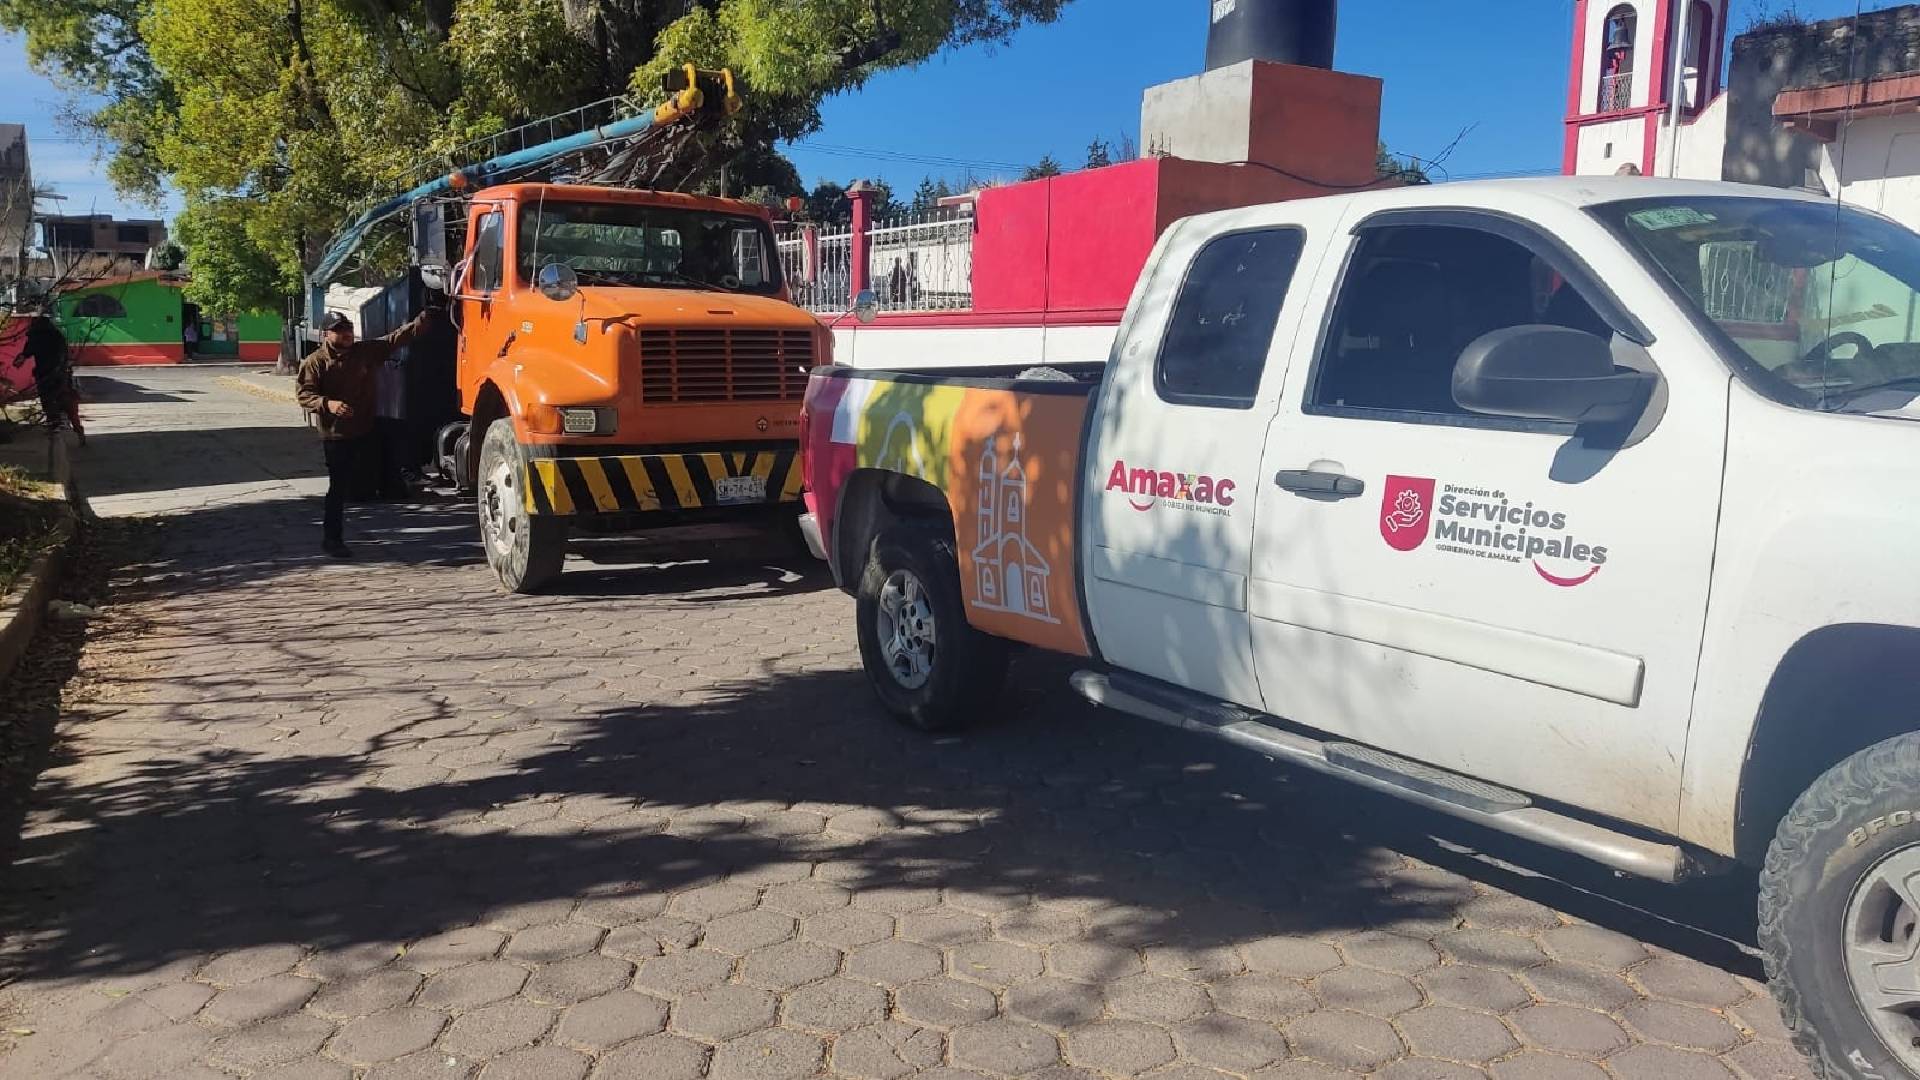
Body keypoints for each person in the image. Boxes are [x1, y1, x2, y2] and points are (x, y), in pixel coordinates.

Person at [296, 308, 439, 558]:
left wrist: (425, 318)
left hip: (367, 427)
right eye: (339, 330)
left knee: (387, 468)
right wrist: (328, 404)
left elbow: (396, 338)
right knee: (339, 488)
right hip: (336, 435)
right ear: (325, 334)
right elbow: (304, 395)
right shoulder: (315, 363)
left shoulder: (365, 351)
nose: (346, 334)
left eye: (348, 328)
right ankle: (332, 539)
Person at [22, 313, 84, 446]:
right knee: (68, 403)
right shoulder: (57, 336)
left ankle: (54, 426)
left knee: (48, 400)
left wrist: (19, 360)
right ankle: (78, 430)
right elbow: (66, 354)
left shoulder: (35, 337)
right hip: (61, 375)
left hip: (44, 375)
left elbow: (26, 353)